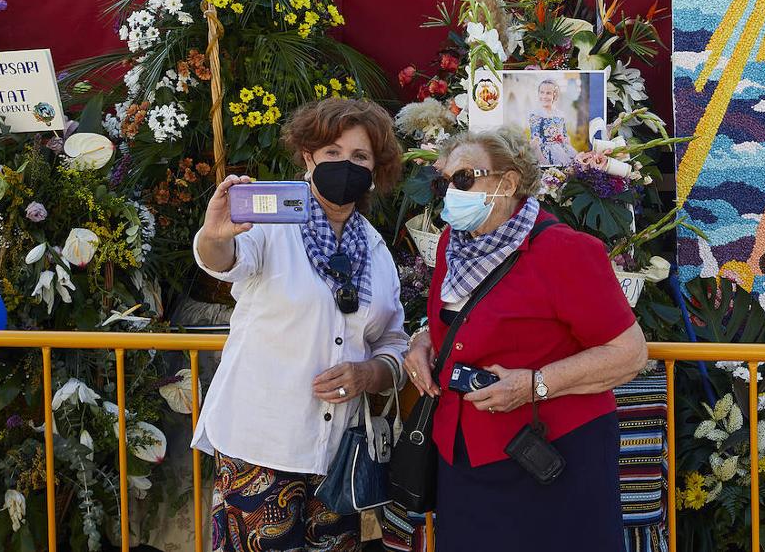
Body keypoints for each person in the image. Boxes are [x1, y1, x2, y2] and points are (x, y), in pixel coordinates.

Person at [403, 127, 647, 552]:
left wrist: (532, 384)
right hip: (463, 455)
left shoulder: (565, 250)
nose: (449, 192)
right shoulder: (450, 245)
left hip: (549, 457)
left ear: (508, 182)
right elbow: (460, 320)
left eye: (463, 179)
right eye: (444, 182)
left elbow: (628, 354)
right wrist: (423, 341)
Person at [193, 98, 409, 552]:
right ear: (308, 157)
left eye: (359, 157)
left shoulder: (375, 250)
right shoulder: (269, 225)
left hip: (336, 457)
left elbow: (392, 341)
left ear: (375, 168)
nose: (344, 165)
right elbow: (226, 261)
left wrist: (370, 373)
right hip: (261, 444)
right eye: (332, 152)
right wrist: (214, 237)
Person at [527, 78, 577, 165]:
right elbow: (535, 142)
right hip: (544, 154)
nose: (544, 96)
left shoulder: (560, 114)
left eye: (548, 93)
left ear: (555, 95)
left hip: (562, 150)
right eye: (542, 92)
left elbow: (564, 135)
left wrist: (564, 142)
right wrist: (543, 161)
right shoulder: (536, 115)